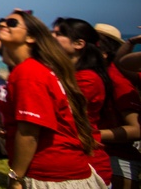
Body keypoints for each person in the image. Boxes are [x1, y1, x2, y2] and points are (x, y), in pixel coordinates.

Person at [0, 10, 106, 187]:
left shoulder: (29, 72)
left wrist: (15, 177)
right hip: (59, 171)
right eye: (1, 21)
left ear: (31, 37)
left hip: (51, 174)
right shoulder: (33, 69)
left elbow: (29, 133)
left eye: (12, 23)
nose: (2, 25)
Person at [51, 18, 114, 185]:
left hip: (87, 165)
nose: (51, 36)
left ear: (79, 44)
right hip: (70, 161)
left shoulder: (87, 79)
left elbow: (60, 113)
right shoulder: (69, 74)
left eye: (59, 34)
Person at [93, 24, 141, 189]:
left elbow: (136, 129)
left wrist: (92, 135)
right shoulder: (100, 75)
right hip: (105, 156)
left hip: (118, 160)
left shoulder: (116, 79)